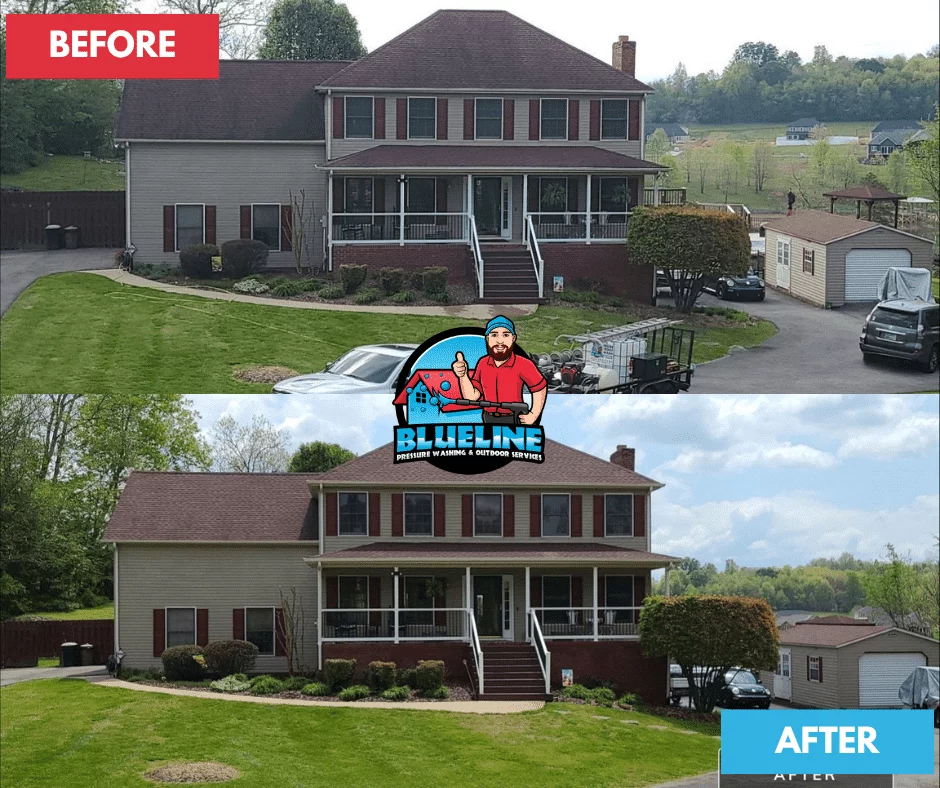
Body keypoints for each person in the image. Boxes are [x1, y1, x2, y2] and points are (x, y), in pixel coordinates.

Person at [451, 315, 547, 426]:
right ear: (487, 339)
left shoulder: (523, 364)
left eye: (505, 335)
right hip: (488, 418)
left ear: (513, 338)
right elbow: (472, 397)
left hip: (514, 419)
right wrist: (462, 376)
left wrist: (533, 414)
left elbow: (540, 387)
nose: (500, 341)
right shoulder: (482, 363)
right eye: (494, 335)